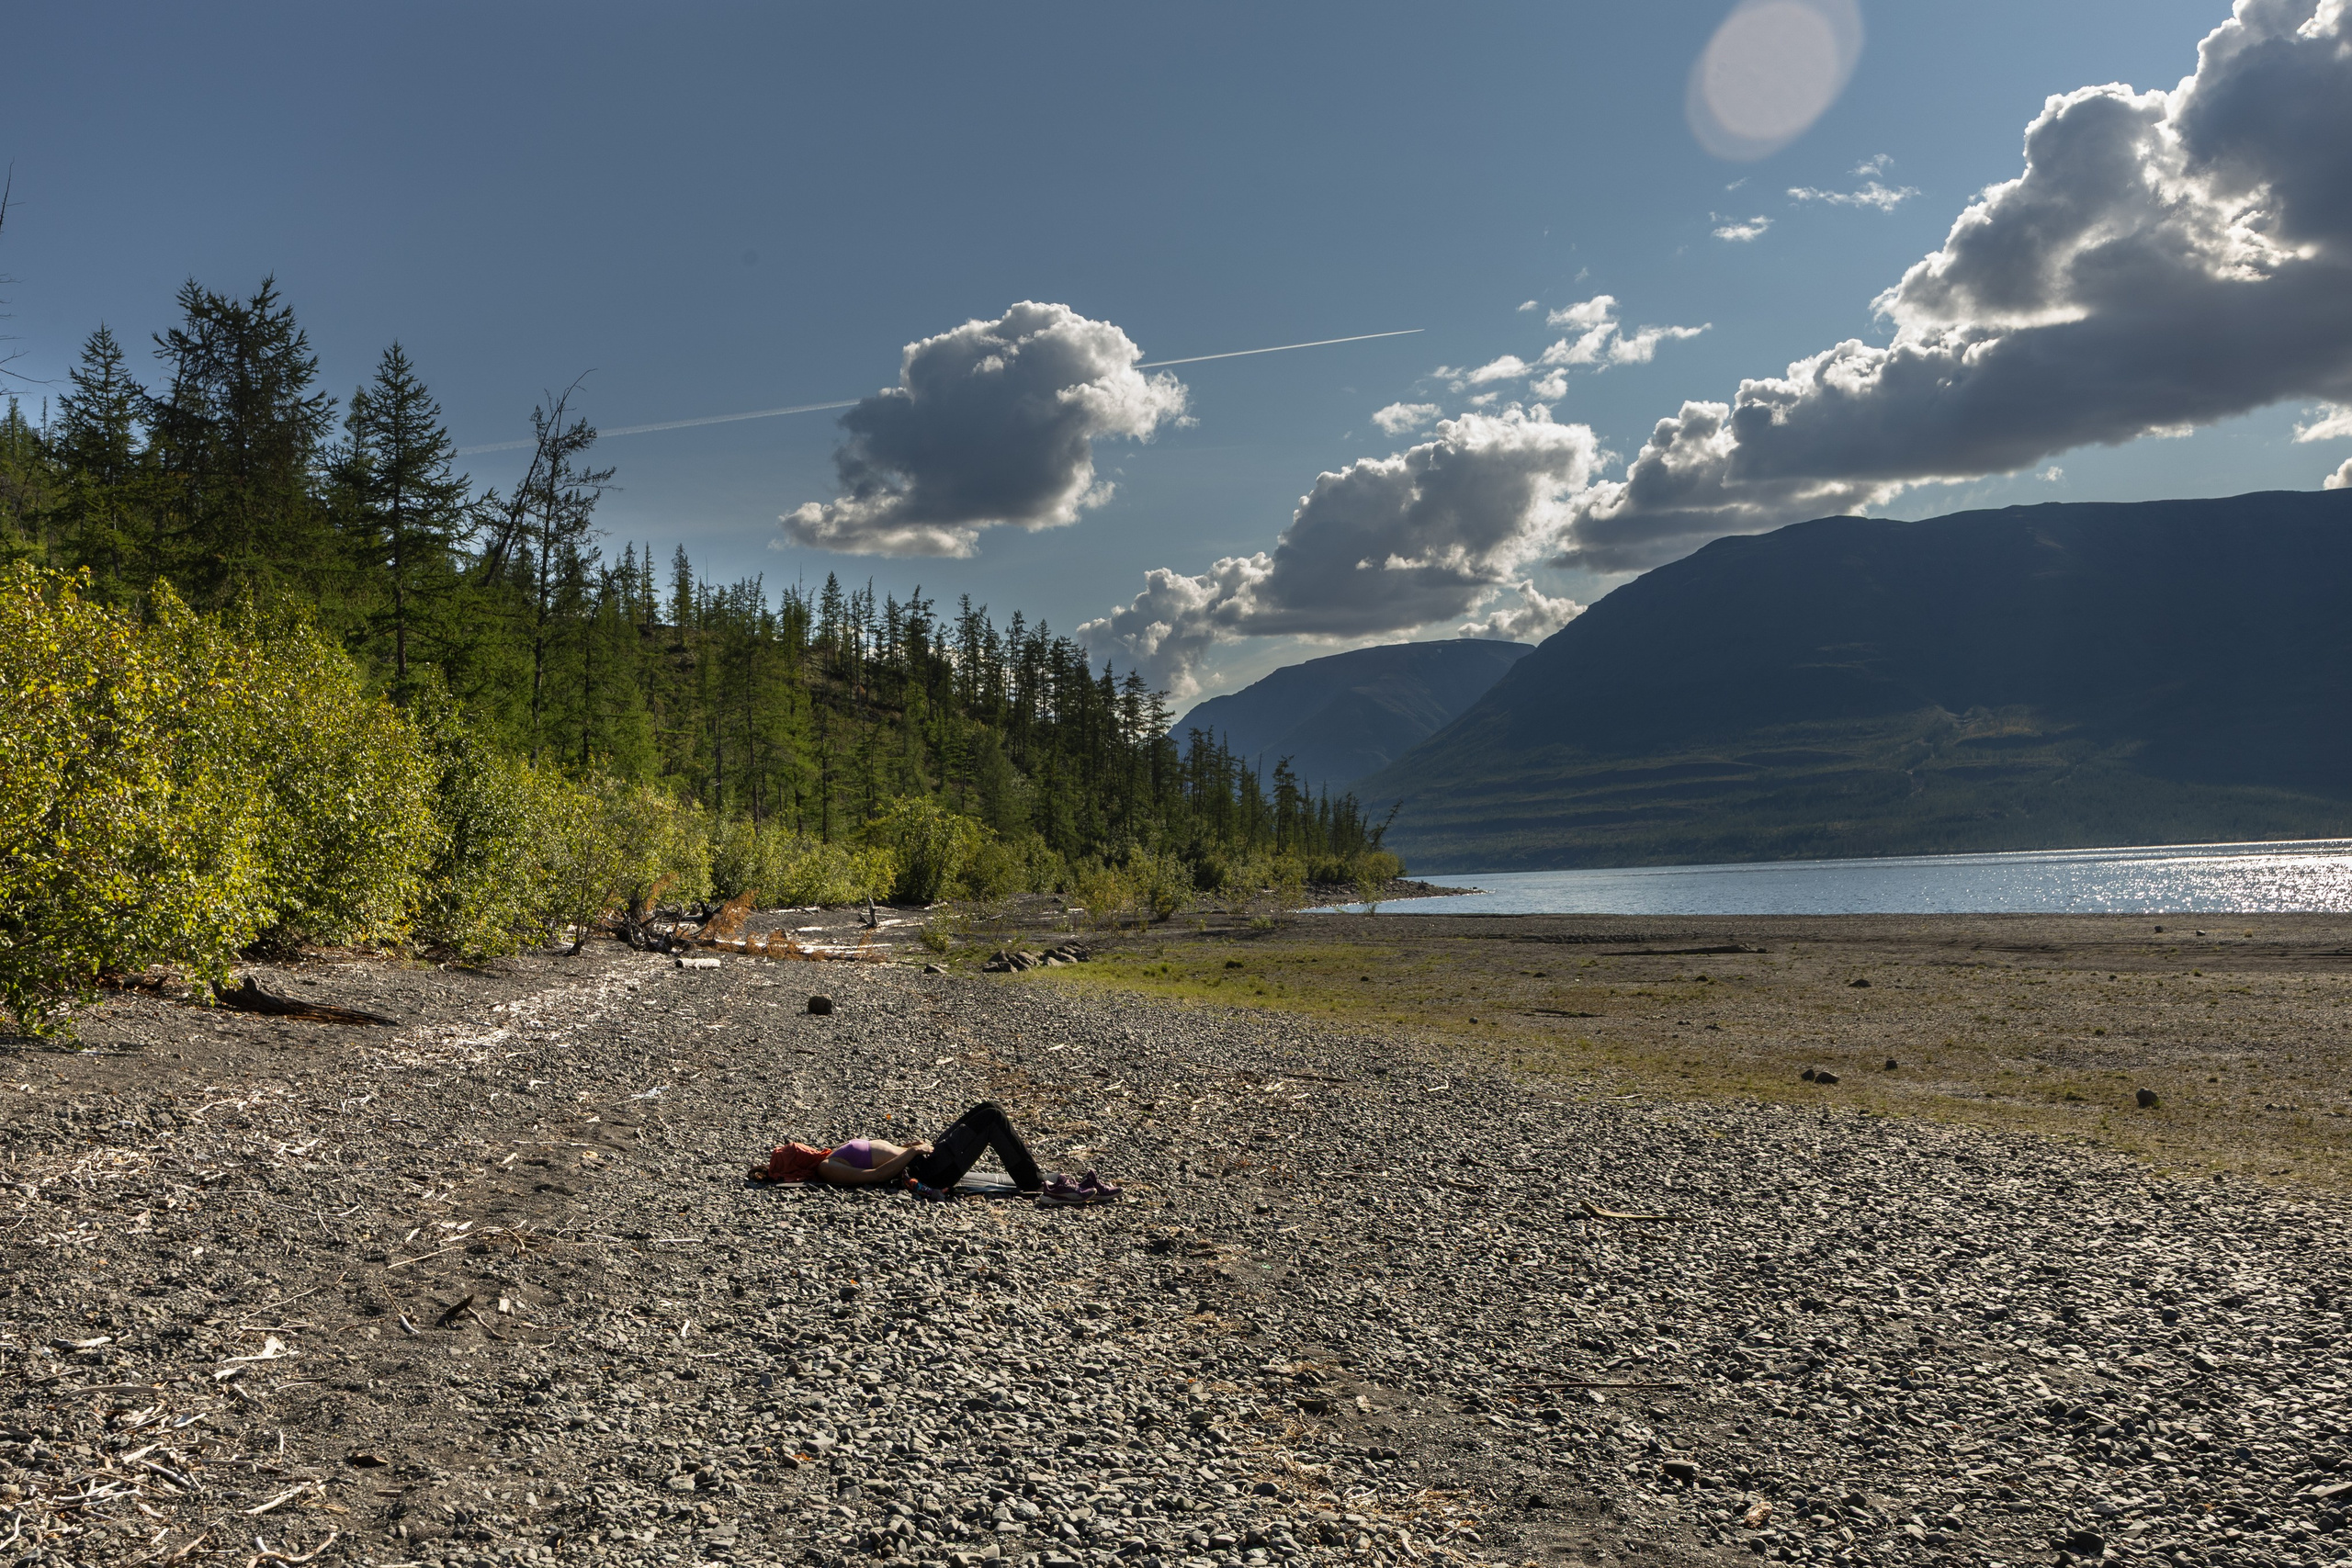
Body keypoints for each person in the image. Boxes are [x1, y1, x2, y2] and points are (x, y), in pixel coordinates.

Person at [752, 1101, 1045, 1191]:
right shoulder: (827, 1169)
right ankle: (1031, 1182)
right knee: (992, 1119)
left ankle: (1029, 1174)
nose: (799, 1145)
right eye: (794, 1151)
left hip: (920, 1158)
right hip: (928, 1171)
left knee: (987, 1108)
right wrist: (911, 1153)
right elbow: (876, 1176)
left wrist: (907, 1146)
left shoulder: (828, 1155)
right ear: (796, 1164)